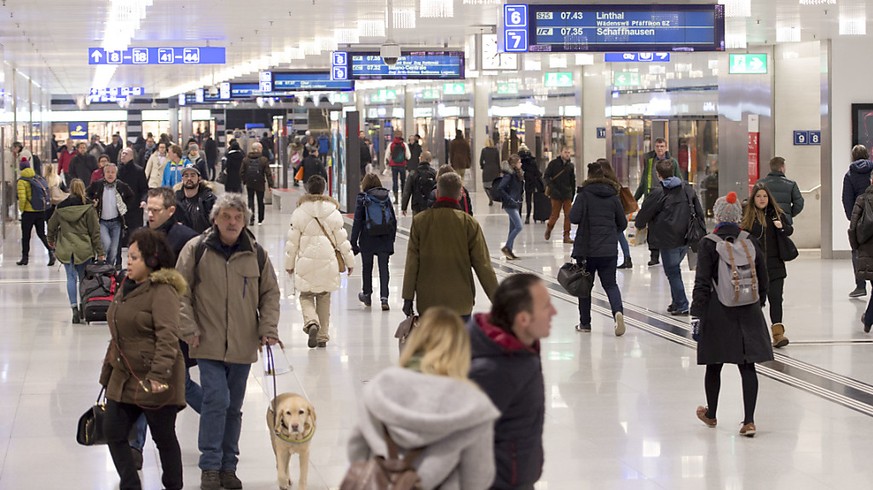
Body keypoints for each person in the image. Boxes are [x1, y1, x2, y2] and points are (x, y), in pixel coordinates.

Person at [176, 193, 281, 490]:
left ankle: (228, 466)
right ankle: (209, 465)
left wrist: (268, 327)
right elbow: (179, 292)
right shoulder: (196, 250)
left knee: (233, 407)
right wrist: (188, 327)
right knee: (215, 400)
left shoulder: (256, 254)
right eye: (226, 217)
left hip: (242, 343)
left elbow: (270, 294)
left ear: (245, 220)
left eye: (237, 217)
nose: (232, 222)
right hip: (206, 341)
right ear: (215, 220)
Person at [348, 307, 500, 490]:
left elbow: (356, 449)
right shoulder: (473, 404)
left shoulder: (380, 387)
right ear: (461, 350)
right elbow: (478, 478)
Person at [100, 228, 186, 490]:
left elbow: (168, 336)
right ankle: (130, 484)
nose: (128, 261)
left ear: (151, 261)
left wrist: (159, 376)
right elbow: (118, 335)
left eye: (135, 257)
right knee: (113, 431)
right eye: (129, 255)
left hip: (154, 378)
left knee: (163, 437)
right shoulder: (126, 287)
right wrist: (106, 375)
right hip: (124, 376)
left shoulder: (162, 292)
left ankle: (173, 484)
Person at [692, 193, 773, 438]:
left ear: (717, 215)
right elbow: (763, 274)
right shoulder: (750, 240)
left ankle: (712, 414)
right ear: (738, 215)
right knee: (748, 367)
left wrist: (697, 314)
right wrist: (760, 301)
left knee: (714, 365)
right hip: (748, 309)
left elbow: (702, 282)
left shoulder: (709, 243)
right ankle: (749, 421)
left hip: (718, 310)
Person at [468, 273, 555, 489]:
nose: (553, 312)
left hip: (516, 478)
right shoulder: (492, 371)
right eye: (546, 306)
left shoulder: (520, 350)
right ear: (523, 319)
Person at [402, 172, 498, 321]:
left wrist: (407, 297)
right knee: (460, 344)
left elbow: (412, 263)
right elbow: (483, 265)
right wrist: (497, 300)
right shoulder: (468, 224)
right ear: (460, 194)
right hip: (460, 302)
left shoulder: (420, 222)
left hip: (429, 302)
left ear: (438, 193)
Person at [284, 175, 355, 348]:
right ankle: (322, 336)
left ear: (308, 189)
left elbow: (292, 243)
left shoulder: (300, 212)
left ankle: (311, 322)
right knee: (324, 296)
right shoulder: (332, 211)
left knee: (306, 295)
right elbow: (342, 240)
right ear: (324, 189)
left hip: (305, 262)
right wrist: (350, 261)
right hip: (327, 261)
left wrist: (289, 265)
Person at [635, 160, 705, 316]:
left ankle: (682, 304)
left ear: (658, 175)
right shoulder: (687, 189)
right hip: (687, 236)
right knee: (674, 270)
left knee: (673, 271)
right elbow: (699, 212)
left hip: (668, 239)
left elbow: (644, 215)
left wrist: (639, 224)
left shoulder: (658, 193)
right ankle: (676, 302)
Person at [570, 161, 628, 334]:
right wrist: (610, 232)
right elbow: (623, 223)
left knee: (585, 286)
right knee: (611, 284)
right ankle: (618, 312)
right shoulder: (613, 195)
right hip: (608, 250)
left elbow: (574, 217)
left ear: (589, 176)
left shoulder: (584, 194)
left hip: (586, 250)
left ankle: (585, 324)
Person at [741, 182, 794, 348]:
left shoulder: (777, 215)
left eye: (764, 196)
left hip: (775, 265)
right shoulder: (748, 216)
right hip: (754, 267)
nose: (762, 199)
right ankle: (753, 334)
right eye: (758, 196)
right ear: (753, 199)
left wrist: (782, 227)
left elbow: (789, 230)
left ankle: (778, 334)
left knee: (776, 299)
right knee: (755, 302)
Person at [47, 179, 104, 323]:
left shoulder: (60, 208)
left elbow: (51, 226)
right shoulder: (89, 208)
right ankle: (83, 306)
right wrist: (100, 251)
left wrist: (51, 240)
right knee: (83, 279)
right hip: (84, 248)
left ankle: (74, 309)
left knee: (70, 278)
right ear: (83, 189)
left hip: (66, 247)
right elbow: (95, 232)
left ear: (70, 190)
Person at [351, 173, 397, 311]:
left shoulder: (362, 198)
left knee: (367, 267)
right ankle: (384, 298)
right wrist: (391, 239)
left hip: (367, 237)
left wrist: (353, 242)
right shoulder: (385, 198)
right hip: (384, 237)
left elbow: (357, 222)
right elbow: (393, 220)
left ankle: (367, 294)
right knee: (384, 268)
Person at [634, 138, 681, 266]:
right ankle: (654, 255)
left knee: (666, 226)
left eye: (662, 146)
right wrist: (635, 199)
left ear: (666, 147)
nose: (659, 149)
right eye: (657, 146)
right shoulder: (650, 161)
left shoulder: (672, 162)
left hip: (668, 198)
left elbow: (679, 179)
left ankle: (668, 252)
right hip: (652, 197)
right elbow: (644, 180)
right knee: (653, 228)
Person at [87, 164, 135, 267]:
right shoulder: (97, 185)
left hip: (116, 222)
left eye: (112, 172)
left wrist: (125, 207)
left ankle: (108, 269)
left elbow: (131, 196)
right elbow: (87, 194)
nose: (110, 175)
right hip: (102, 221)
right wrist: (93, 202)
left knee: (114, 250)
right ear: (104, 174)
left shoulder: (121, 186)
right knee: (107, 243)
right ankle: (102, 264)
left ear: (116, 174)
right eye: (108, 172)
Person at [842, 145, 873, 298]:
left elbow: (847, 199)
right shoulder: (872, 171)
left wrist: (852, 217)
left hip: (859, 217)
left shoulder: (850, 175)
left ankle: (860, 285)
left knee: (857, 250)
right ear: (867, 155)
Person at [16, 160, 54, 266]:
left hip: (28, 212)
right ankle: (51, 251)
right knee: (41, 234)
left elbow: (22, 198)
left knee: (26, 235)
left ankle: (25, 258)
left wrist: (22, 209)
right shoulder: (37, 177)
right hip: (40, 210)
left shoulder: (21, 181)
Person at [599, 158, 633, 269]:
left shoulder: (602, 183)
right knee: (620, 235)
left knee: (606, 238)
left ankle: (607, 259)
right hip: (618, 213)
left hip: (608, 214)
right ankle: (627, 258)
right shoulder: (615, 182)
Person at [543, 146, 577, 243]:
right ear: (561, 153)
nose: (567, 154)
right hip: (556, 194)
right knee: (555, 215)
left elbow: (572, 180)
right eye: (565, 152)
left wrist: (573, 193)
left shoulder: (570, 166)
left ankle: (566, 235)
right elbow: (546, 176)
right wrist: (552, 188)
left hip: (567, 194)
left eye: (568, 153)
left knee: (568, 215)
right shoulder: (553, 164)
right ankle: (549, 227)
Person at [495, 155, 525, 260]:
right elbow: (500, 188)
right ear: (514, 164)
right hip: (510, 204)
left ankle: (509, 251)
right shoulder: (509, 175)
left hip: (516, 203)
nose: (521, 164)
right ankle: (507, 247)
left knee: (512, 227)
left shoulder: (517, 174)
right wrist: (509, 198)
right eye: (519, 162)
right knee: (519, 226)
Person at [757, 156, 804, 223]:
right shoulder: (791, 184)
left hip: (764, 220)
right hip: (784, 221)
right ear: (781, 168)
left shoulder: (760, 183)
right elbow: (799, 204)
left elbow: (753, 201)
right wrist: (789, 214)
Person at [175, 164, 217, 233]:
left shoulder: (209, 199)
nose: (189, 178)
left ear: (199, 178)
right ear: (182, 179)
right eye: (186, 176)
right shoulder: (176, 199)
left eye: (192, 175)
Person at [116, 146, 149, 233]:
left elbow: (144, 189)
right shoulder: (117, 170)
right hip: (119, 207)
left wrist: (143, 200)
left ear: (131, 156)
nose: (123, 155)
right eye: (122, 153)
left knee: (134, 234)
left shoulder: (139, 171)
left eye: (125, 154)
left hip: (135, 208)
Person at [241, 141, 273, 226]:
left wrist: (245, 181)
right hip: (260, 183)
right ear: (258, 149)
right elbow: (268, 173)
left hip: (250, 183)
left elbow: (242, 172)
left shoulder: (246, 159)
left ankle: (251, 219)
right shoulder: (263, 160)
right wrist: (270, 184)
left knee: (250, 200)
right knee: (260, 200)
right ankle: (260, 219)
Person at [401, 150, 437, 217]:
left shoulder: (412, 173)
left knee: (416, 225)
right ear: (430, 160)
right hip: (430, 206)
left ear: (420, 158)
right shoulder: (434, 173)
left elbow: (407, 191)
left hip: (416, 205)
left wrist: (404, 207)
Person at [385, 130, 411, 202]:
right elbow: (408, 156)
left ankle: (396, 199)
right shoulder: (404, 144)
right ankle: (403, 197)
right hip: (402, 165)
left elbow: (387, 156)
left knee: (395, 181)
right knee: (403, 181)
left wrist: (387, 165)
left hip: (394, 165)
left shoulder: (391, 144)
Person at [519, 144, 542, 224]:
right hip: (531, 182)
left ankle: (520, 216)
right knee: (530, 200)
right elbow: (537, 172)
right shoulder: (532, 160)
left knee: (521, 200)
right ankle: (529, 217)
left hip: (521, 182)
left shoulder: (519, 161)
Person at [480, 137, 501, 206]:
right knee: (494, 185)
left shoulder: (484, 150)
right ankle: (494, 196)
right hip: (495, 169)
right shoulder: (496, 150)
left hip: (487, 169)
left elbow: (481, 161)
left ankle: (490, 198)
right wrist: (499, 170)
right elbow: (498, 161)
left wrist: (483, 166)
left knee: (486, 185)